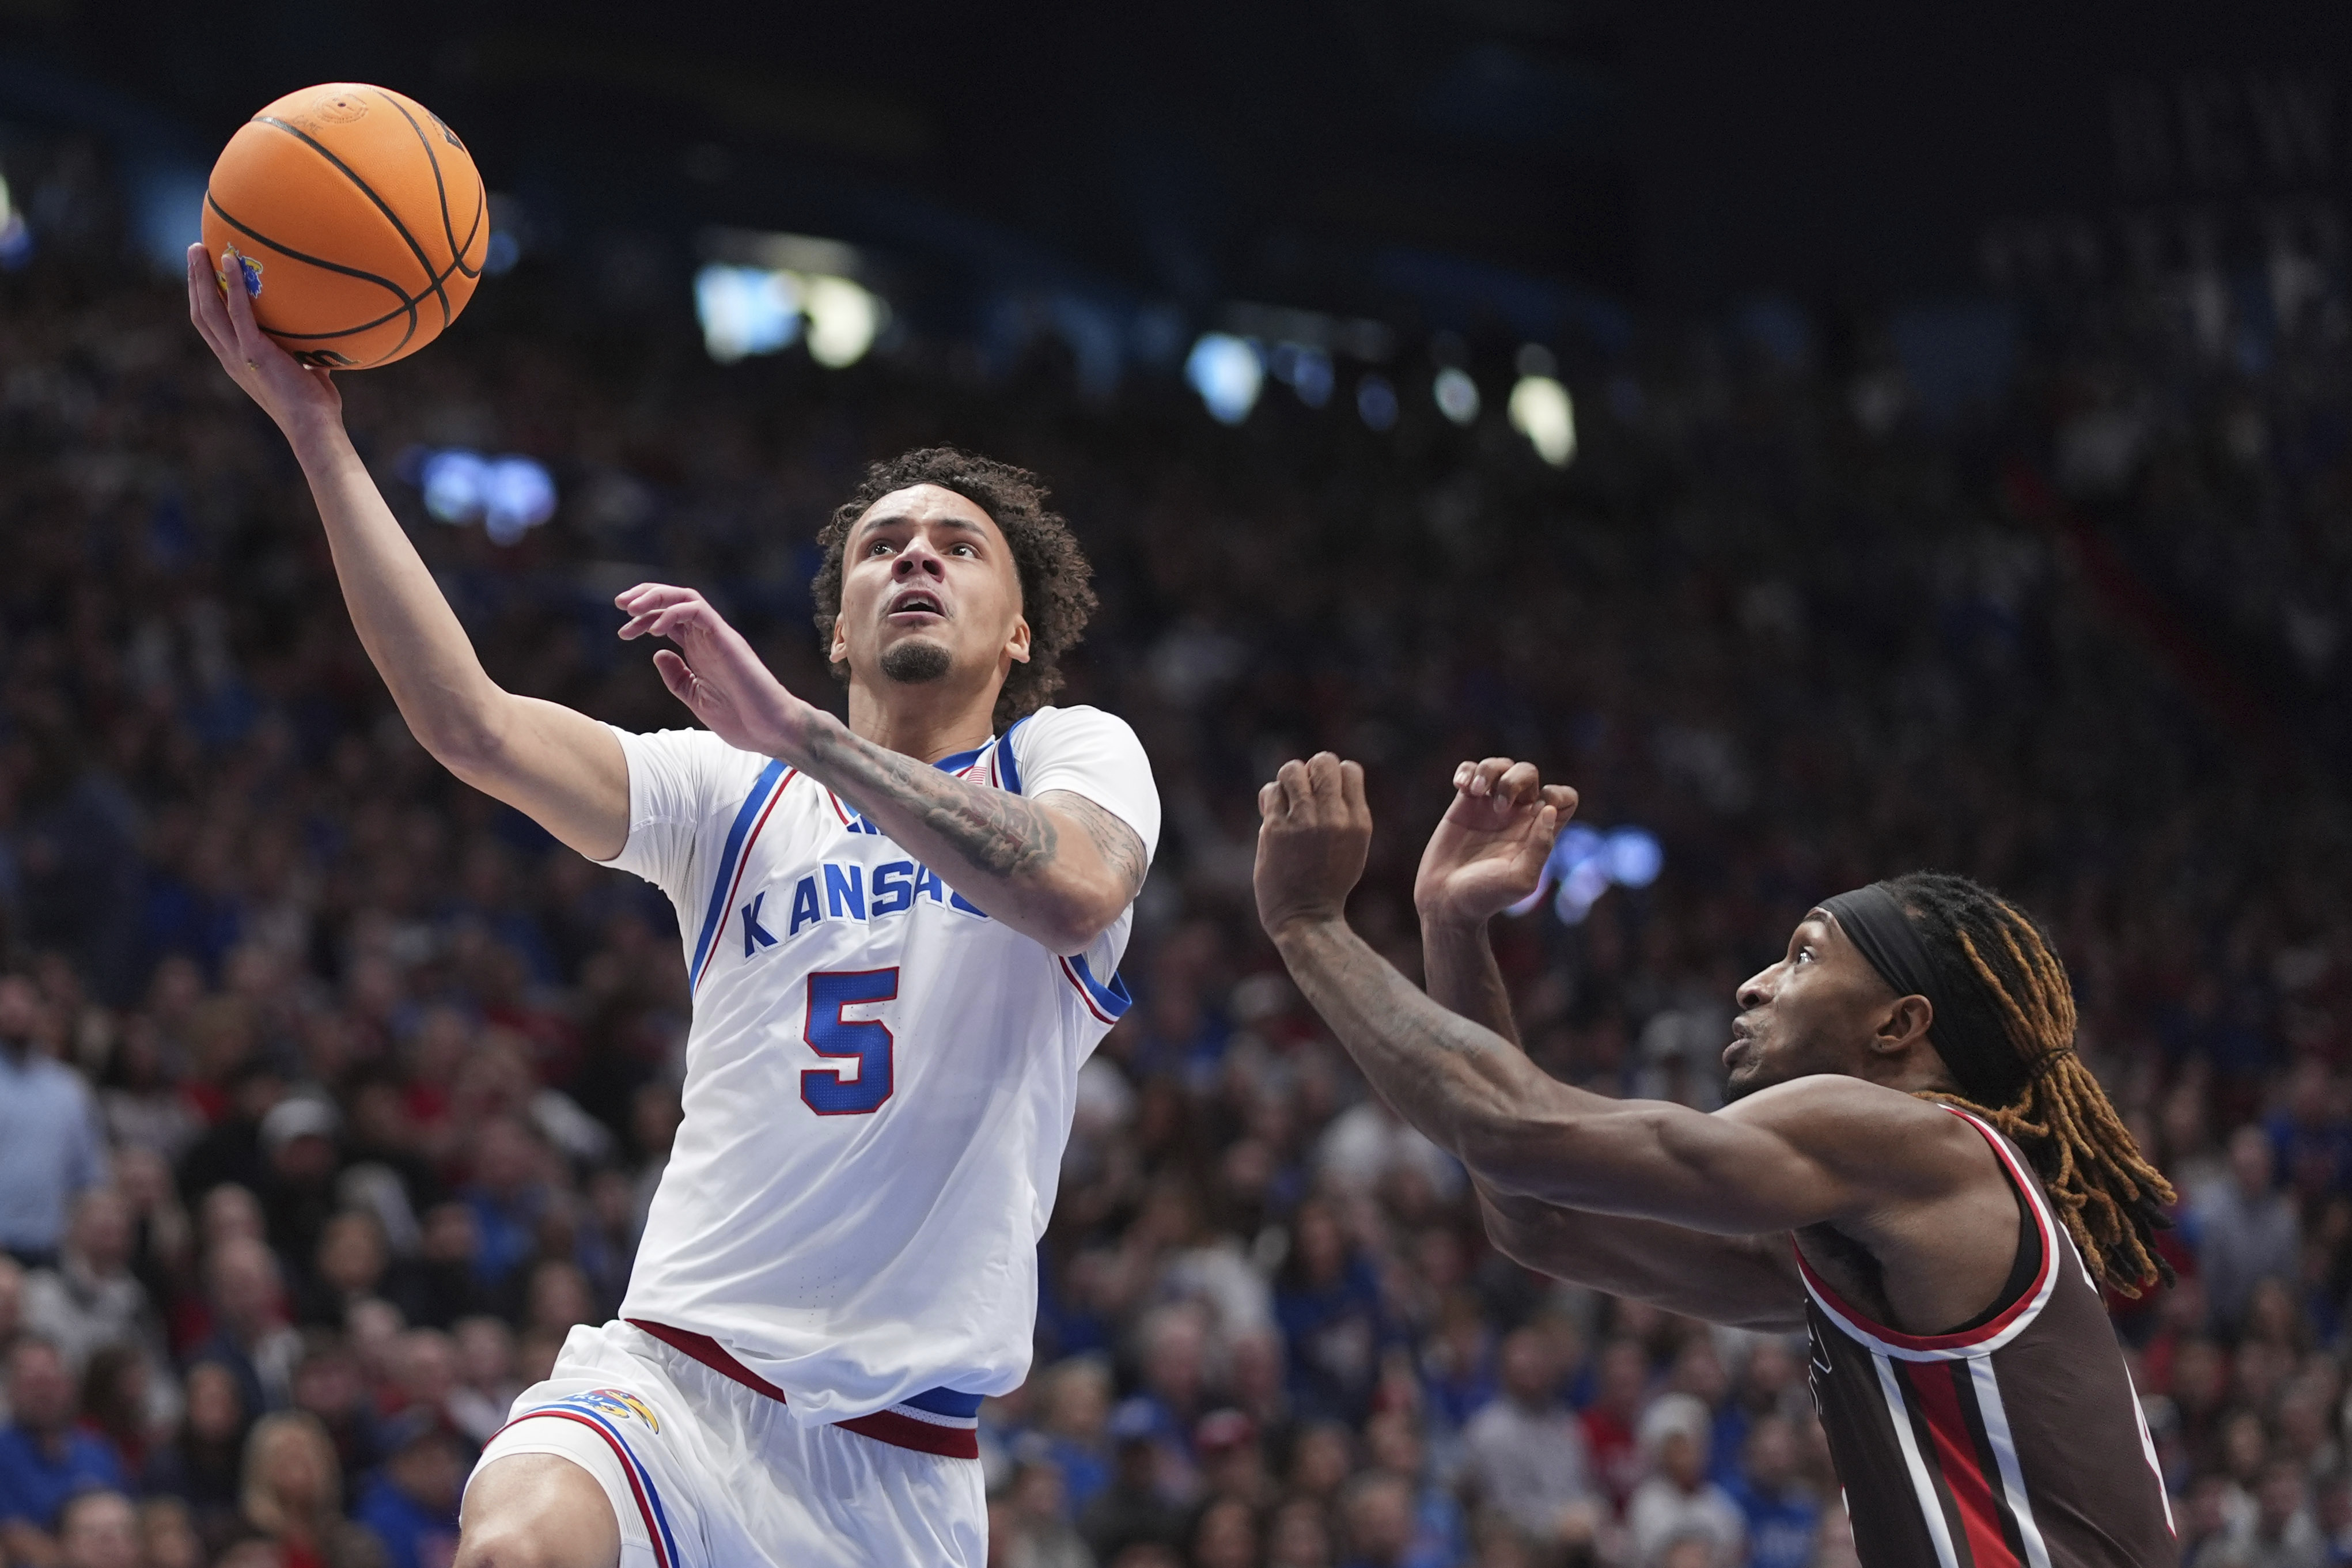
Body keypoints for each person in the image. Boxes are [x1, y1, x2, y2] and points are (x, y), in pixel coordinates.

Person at [190, 248, 1158, 1568]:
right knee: (515, 1542)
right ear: (836, 627)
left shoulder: (1073, 757)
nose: (915, 557)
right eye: (883, 545)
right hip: (670, 1381)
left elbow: (1072, 887)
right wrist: (317, 437)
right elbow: (471, 724)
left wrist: (807, 736)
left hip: (898, 1464)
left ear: (1017, 634)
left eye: (957, 547)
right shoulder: (731, 793)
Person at [1251, 753, 2179, 1565]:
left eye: (1802, 957)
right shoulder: (1882, 1237)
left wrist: (1306, 922)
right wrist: (1453, 928)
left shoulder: (1919, 1144)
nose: (1752, 982)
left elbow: (1513, 1130)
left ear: (1897, 1024)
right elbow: (1537, 1214)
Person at [0, 975, 107, 1269]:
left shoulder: (69, 1089)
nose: (14, 1013)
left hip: (54, 1247)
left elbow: (88, 1177)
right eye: (6, 1006)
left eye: (23, 1004)